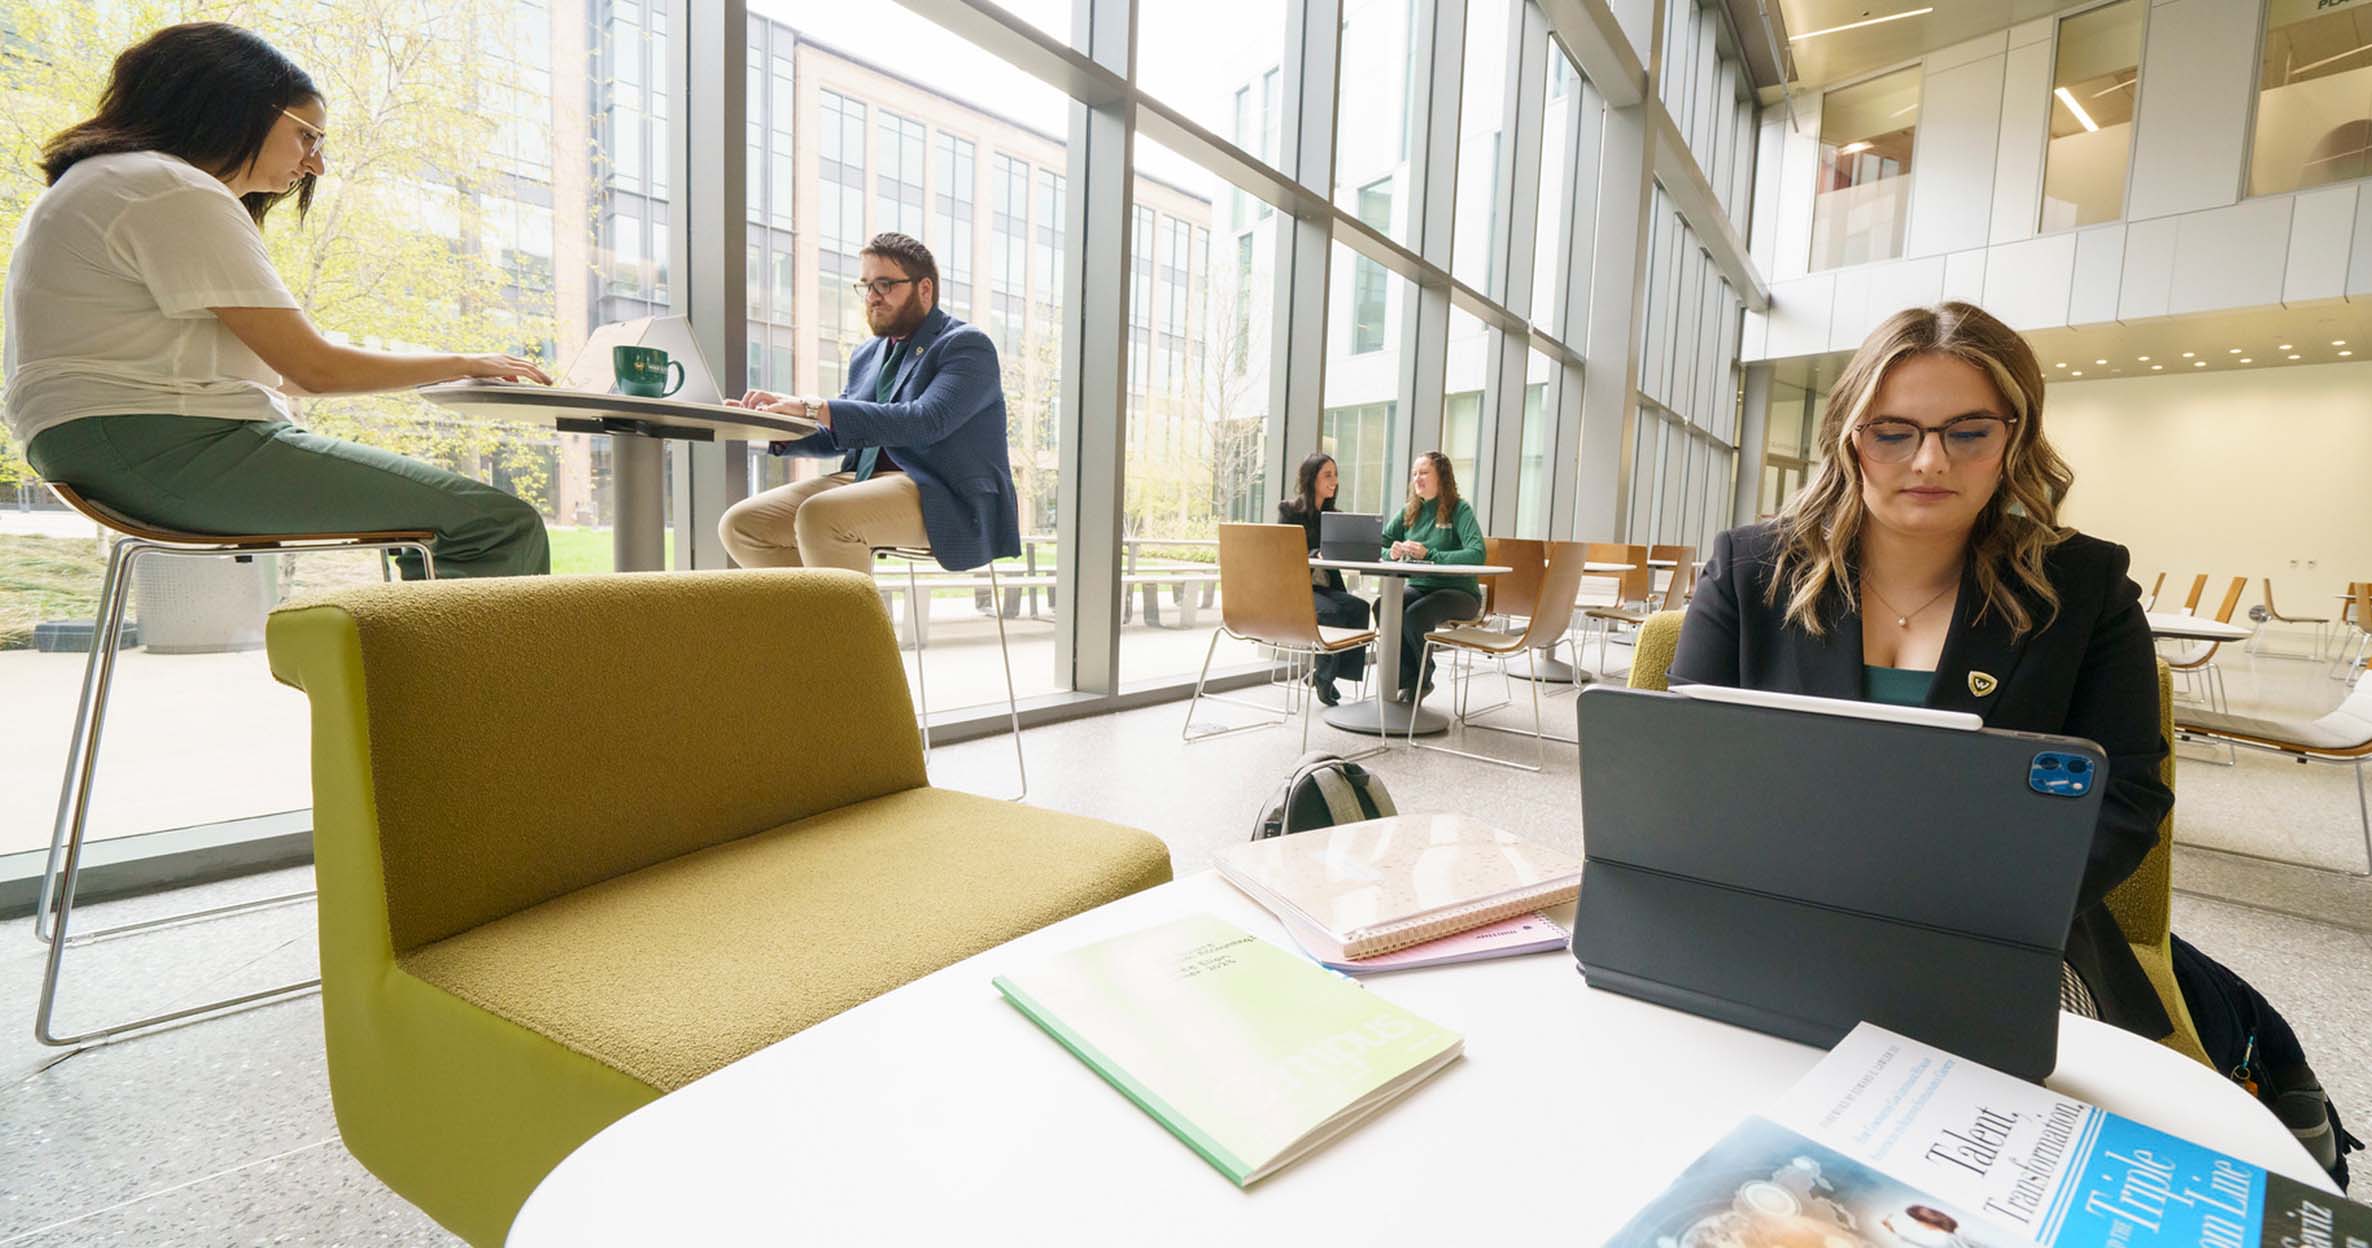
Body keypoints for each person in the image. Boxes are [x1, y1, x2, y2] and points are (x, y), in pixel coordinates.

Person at [1670, 300, 2358, 1187]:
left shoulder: (2085, 587)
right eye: (1894, 431)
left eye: (1966, 432)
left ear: (2014, 437)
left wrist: (1984, 918)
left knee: (1998, 1140)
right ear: (1848, 436)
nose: (1928, 460)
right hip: (1781, 916)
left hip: (2001, 933)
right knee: (1706, 1091)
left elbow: (2128, 798)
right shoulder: (1752, 568)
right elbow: (1684, 773)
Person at [4, 23, 552, 579]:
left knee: (437, 524)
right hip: (162, 442)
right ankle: (460, 669)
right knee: (497, 525)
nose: (316, 164)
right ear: (235, 106)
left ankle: (415, 665)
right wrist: (461, 363)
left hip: (105, 441)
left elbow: (279, 369)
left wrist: (442, 365)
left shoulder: (109, 182)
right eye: (306, 136)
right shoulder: (171, 188)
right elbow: (313, 368)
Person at [718, 232, 1020, 576]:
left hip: (941, 491)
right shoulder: (868, 354)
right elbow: (839, 434)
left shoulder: (966, 345)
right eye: (866, 286)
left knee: (822, 515)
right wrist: (768, 424)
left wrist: (811, 407)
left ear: (925, 289)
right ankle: (811, 624)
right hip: (865, 480)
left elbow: (925, 422)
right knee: (742, 525)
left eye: (885, 284)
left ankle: (849, 628)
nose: (873, 298)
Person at [1378, 451, 1484, 700]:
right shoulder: (1409, 511)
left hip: (1461, 594)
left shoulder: (1459, 509)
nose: (1418, 478)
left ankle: (1422, 678)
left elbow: (1477, 553)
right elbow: (1378, 543)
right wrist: (1390, 552)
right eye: (1415, 473)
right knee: (1384, 607)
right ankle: (1407, 677)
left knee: (1416, 614)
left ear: (1442, 478)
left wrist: (1431, 554)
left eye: (1424, 472)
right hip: (1422, 587)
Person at [1276, 452, 1371, 706]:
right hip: (1297, 589)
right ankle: (1324, 678)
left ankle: (1325, 674)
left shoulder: (1335, 516)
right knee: (1333, 613)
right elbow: (1284, 554)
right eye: (1328, 475)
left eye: (1336, 475)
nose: (1334, 481)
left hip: (1323, 587)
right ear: (1311, 479)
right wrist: (1314, 553)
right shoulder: (1290, 511)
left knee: (1360, 608)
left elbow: (1339, 558)